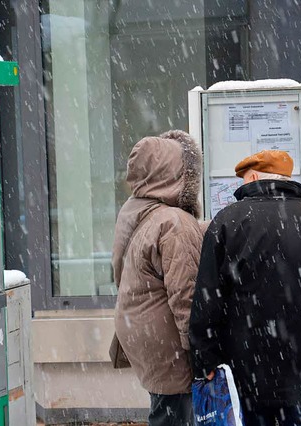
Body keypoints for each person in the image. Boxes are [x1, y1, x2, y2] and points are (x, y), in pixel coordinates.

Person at [189, 150, 301, 426]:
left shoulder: (227, 222)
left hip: (247, 376)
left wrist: (206, 359)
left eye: (244, 181)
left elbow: (207, 302)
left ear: (255, 177)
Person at [113, 130, 203, 426]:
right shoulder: (174, 222)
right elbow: (186, 295)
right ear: (179, 175)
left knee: (164, 410)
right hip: (169, 345)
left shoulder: (135, 211)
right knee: (174, 415)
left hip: (143, 335)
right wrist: (201, 350)